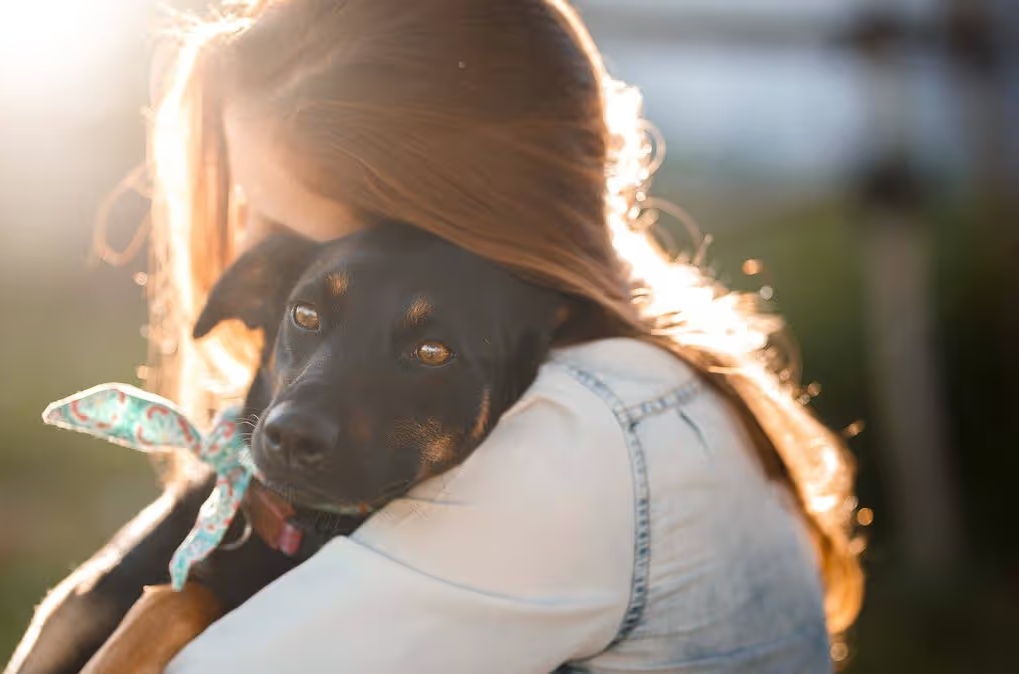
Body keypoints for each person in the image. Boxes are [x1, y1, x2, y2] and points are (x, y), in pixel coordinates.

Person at [115, 0, 864, 671]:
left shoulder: (562, 453)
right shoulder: (644, 387)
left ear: (445, 226)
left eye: (282, 224)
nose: (252, 251)